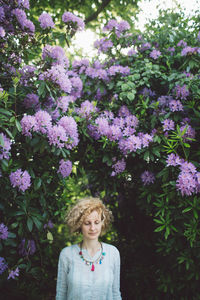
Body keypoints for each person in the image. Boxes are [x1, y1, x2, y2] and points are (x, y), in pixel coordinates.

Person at [56, 197, 122, 300]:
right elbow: (61, 294)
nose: (92, 228)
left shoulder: (112, 253)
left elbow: (115, 293)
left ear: (102, 223)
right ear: (79, 225)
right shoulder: (67, 254)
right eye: (87, 223)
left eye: (96, 222)